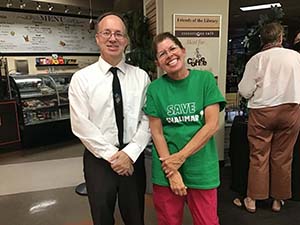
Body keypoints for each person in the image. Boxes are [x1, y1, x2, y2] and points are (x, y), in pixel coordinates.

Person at [68, 12, 151, 225]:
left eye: (118, 34)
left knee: (135, 217)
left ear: (126, 40)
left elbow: (148, 119)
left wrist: (129, 154)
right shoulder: (82, 79)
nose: (112, 39)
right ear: (97, 38)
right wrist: (115, 156)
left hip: (132, 159)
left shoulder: (141, 77)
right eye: (106, 33)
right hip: (99, 160)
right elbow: (81, 124)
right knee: (102, 217)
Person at [144, 32, 226, 225]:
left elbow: (211, 125)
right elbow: (157, 132)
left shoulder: (205, 80)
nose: (169, 55)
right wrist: (172, 172)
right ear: (158, 62)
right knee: (168, 222)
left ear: (183, 50)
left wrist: (179, 158)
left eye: (172, 48)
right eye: (162, 53)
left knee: (208, 222)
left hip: (201, 167)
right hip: (166, 168)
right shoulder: (155, 89)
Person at [238, 22, 300, 213]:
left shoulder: (257, 60)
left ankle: (253, 200)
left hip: (262, 113)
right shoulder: (296, 57)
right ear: (280, 38)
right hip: (291, 110)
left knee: (259, 156)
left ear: (262, 40)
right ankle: (277, 200)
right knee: (283, 157)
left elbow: (245, 91)